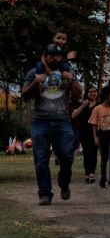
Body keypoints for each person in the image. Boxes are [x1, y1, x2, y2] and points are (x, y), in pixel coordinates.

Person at [22, 44, 81, 205]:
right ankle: (44, 193)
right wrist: (35, 83)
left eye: (59, 55)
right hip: (41, 121)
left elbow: (79, 94)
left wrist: (71, 79)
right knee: (41, 159)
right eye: (52, 55)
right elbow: (24, 96)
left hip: (62, 121)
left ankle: (64, 182)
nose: (56, 58)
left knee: (67, 156)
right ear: (45, 56)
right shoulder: (35, 72)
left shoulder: (66, 72)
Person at [89, 86, 110, 190]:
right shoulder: (98, 109)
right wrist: (95, 137)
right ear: (106, 95)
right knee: (104, 158)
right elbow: (93, 124)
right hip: (102, 134)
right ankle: (103, 179)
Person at [71, 86, 100, 184]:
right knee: (86, 153)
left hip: (95, 132)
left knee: (93, 152)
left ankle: (92, 173)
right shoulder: (82, 104)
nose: (93, 93)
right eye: (90, 91)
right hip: (83, 132)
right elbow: (73, 115)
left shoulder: (99, 105)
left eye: (94, 91)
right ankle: (87, 173)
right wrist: (82, 106)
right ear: (87, 93)